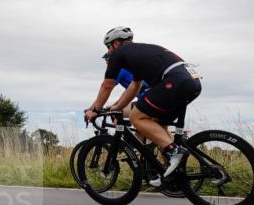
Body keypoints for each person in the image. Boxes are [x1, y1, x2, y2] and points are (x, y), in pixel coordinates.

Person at [85, 26, 202, 185]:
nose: (109, 52)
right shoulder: (139, 55)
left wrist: (95, 110)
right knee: (159, 125)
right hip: (192, 81)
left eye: (108, 47)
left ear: (116, 44)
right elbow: (135, 86)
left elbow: (107, 85)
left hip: (174, 82)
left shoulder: (118, 54)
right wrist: (117, 107)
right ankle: (172, 173)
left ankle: (174, 152)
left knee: (136, 116)